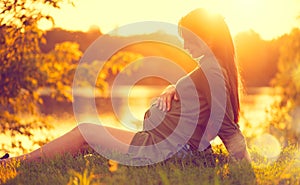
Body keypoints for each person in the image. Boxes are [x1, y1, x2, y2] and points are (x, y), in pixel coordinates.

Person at [0, 8, 251, 164]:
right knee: (89, 139)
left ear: (206, 36)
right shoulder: (212, 67)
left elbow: (227, 127)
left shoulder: (211, 70)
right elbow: (204, 100)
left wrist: (246, 174)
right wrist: (173, 87)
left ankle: (12, 165)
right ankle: (24, 161)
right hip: (162, 144)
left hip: (165, 149)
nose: (185, 46)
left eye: (188, 39)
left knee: (85, 131)